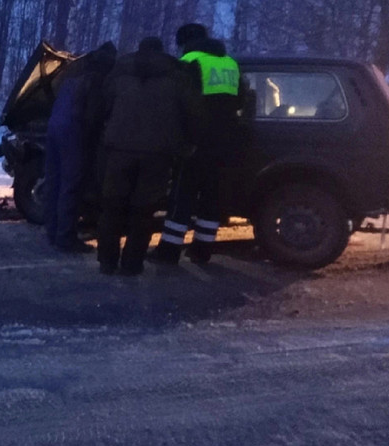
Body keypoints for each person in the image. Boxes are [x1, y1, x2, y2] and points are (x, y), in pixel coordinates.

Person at [95, 37, 199, 275]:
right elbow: (193, 114)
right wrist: (188, 144)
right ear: (161, 52)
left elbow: (103, 105)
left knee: (112, 207)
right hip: (157, 154)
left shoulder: (120, 71)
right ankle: (132, 263)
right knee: (143, 211)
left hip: (119, 149)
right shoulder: (177, 75)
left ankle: (107, 261)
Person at [153, 23, 247, 264]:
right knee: (211, 196)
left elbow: (180, 105)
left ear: (185, 42)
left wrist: (178, 140)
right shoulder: (231, 63)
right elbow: (241, 101)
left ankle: (169, 250)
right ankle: (202, 249)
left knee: (182, 194)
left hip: (196, 142)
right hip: (225, 143)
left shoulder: (190, 61)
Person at [43, 42, 117, 252]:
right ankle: (65, 237)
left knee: (54, 182)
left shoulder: (72, 72)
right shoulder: (98, 76)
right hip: (74, 132)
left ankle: (53, 232)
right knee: (71, 186)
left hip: (54, 127)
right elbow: (93, 114)